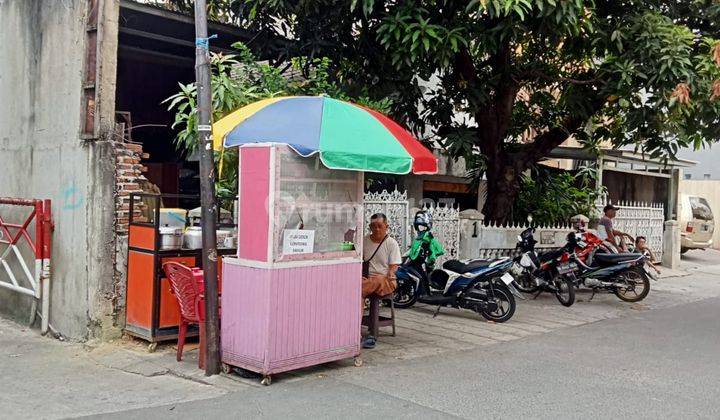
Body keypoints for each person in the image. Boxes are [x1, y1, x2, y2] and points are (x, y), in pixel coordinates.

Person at [361, 213, 401, 349]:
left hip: (386, 281)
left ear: (386, 226)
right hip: (367, 281)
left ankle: (356, 290)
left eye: (380, 226)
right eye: (373, 226)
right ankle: (355, 330)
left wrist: (391, 272)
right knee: (359, 294)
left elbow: (394, 266)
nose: (376, 229)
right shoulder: (364, 240)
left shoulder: (391, 243)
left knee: (374, 280)